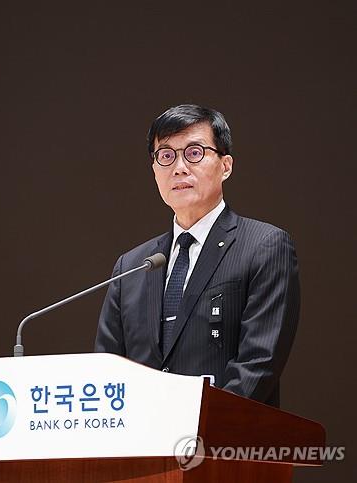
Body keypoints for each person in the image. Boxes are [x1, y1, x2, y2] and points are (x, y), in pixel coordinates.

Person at [95, 104, 300, 407]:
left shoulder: (264, 246)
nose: (179, 167)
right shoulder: (132, 266)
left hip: (223, 442)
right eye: (166, 156)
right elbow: (106, 371)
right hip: (143, 447)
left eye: (194, 152)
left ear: (225, 165)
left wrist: (200, 428)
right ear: (154, 171)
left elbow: (259, 363)